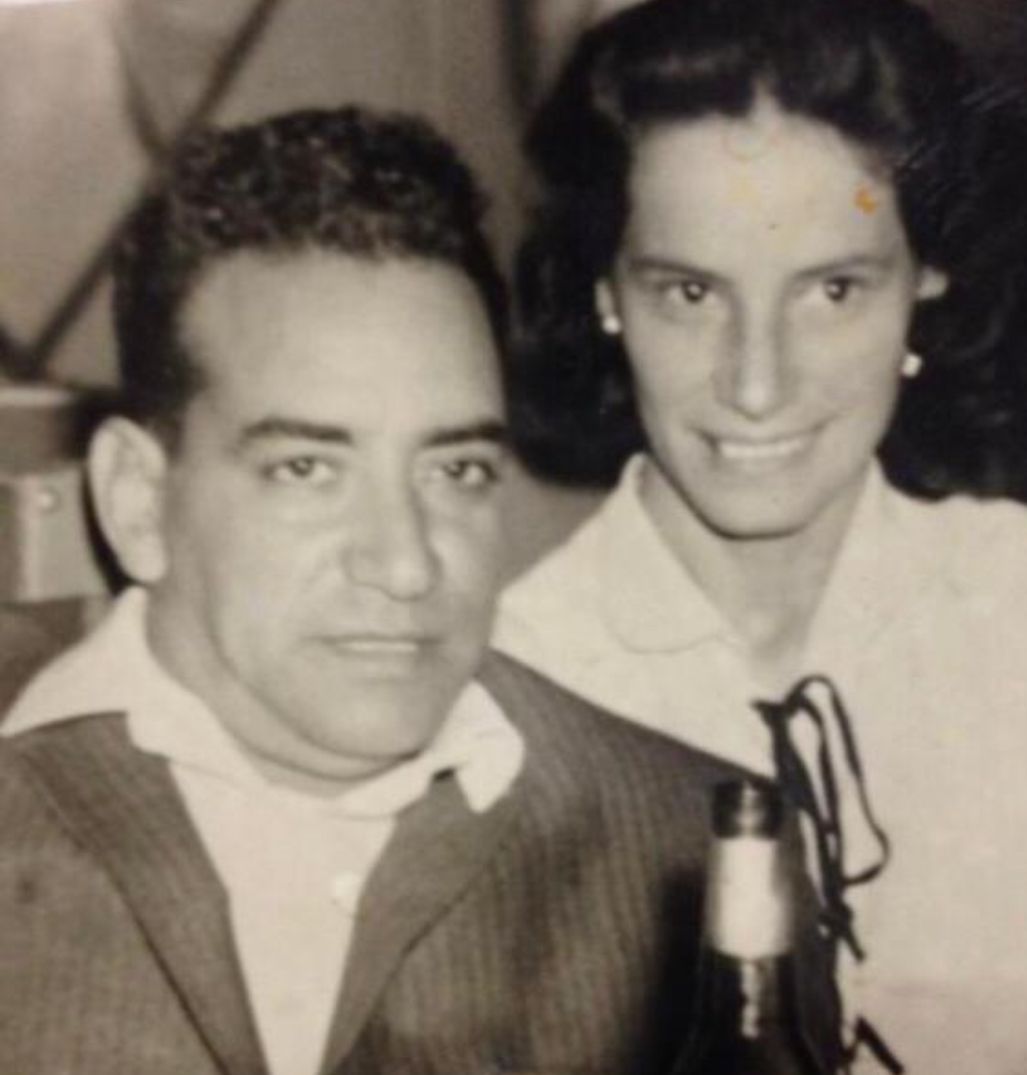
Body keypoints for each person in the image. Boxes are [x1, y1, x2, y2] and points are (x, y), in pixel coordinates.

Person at [0, 107, 768, 1075]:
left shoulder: (695, 858)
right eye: (308, 470)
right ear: (137, 499)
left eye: (455, 472)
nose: (406, 564)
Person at [494, 0, 1027, 1071]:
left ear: (926, 279)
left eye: (834, 289)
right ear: (605, 291)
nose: (757, 384)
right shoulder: (503, 688)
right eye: (690, 292)